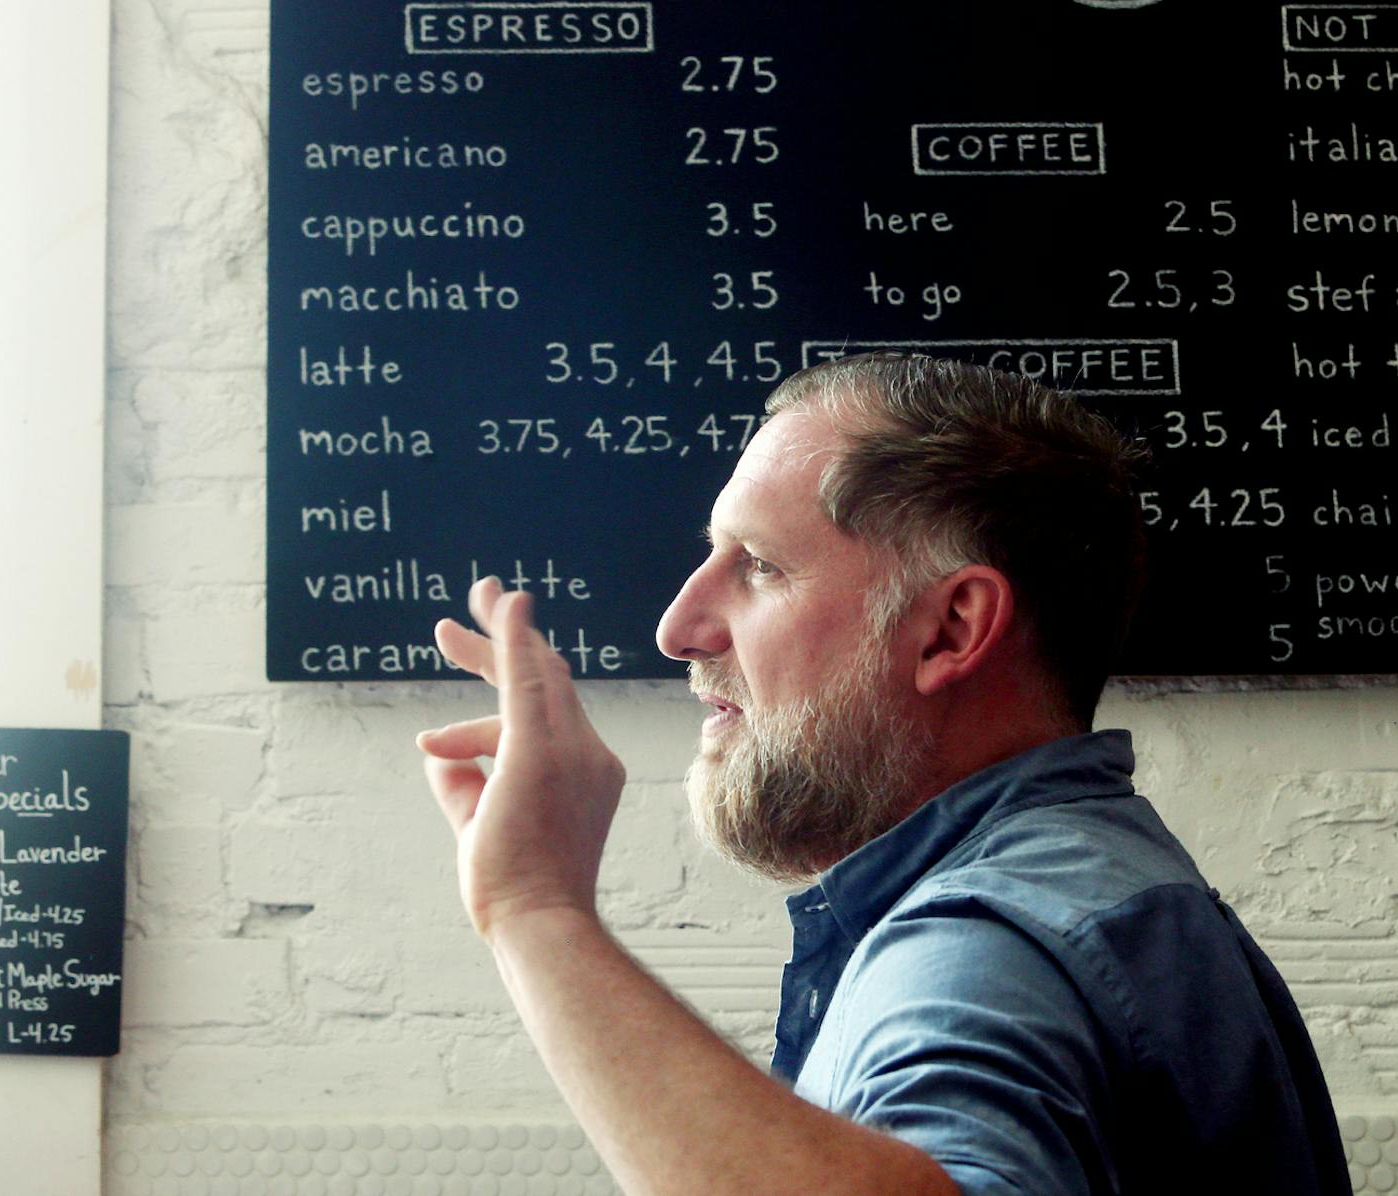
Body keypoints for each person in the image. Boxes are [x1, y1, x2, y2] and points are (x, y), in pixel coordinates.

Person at [417, 352, 1350, 1196]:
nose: (678, 628)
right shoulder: (1105, 890)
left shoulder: (984, 950)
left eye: (760, 566)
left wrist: (535, 907)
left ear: (950, 629)